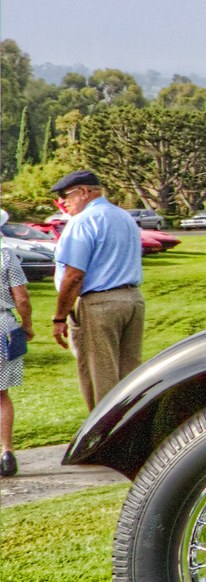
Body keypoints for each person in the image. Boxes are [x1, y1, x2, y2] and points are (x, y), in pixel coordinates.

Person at [49, 169, 145, 412]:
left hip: (100, 303)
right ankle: (133, 425)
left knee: (99, 376)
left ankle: (105, 431)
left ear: (83, 192)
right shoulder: (124, 217)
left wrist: (60, 317)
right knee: (130, 374)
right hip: (132, 299)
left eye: (65, 196)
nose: (63, 203)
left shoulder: (83, 221)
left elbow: (74, 276)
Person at [0, 212, 30, 478]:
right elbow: (21, 298)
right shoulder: (7, 255)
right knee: (2, 395)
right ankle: (7, 451)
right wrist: (27, 324)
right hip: (3, 324)